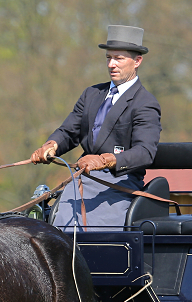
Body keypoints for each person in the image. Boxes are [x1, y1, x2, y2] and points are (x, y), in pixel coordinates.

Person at [31, 25, 162, 230]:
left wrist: (105, 160)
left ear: (137, 61)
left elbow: (145, 152)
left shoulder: (145, 103)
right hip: (82, 180)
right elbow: (69, 131)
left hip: (119, 185)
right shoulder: (91, 94)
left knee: (93, 237)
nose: (111, 64)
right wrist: (52, 145)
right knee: (54, 231)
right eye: (108, 58)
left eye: (119, 58)